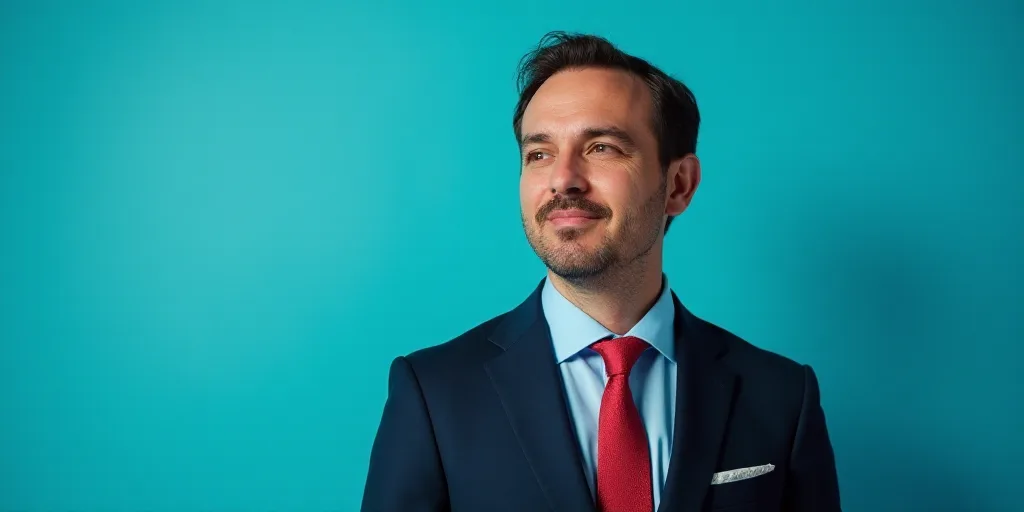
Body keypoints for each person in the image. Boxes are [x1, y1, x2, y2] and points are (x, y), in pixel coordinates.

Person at [360, 31, 841, 512]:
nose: (563, 179)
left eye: (602, 148)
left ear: (678, 184)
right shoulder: (434, 394)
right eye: (539, 153)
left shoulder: (780, 396)